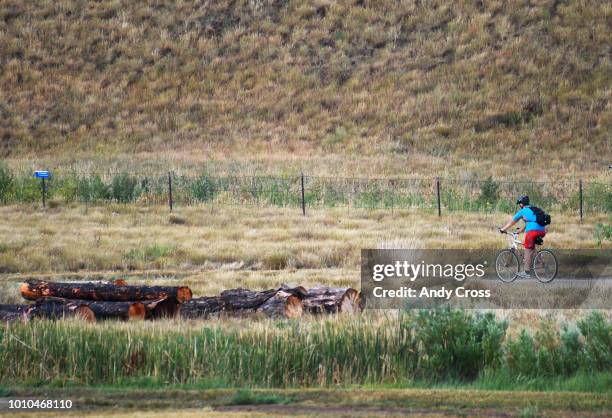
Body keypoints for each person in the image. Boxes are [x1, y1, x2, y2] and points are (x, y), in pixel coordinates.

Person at [499, 195, 546, 279]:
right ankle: (541, 261)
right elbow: (531, 221)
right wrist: (520, 231)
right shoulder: (533, 209)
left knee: (527, 250)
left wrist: (503, 229)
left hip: (532, 231)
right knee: (532, 247)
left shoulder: (523, 211)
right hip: (542, 230)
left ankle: (526, 272)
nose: (519, 205)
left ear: (521, 204)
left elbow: (511, 222)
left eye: (519, 204)